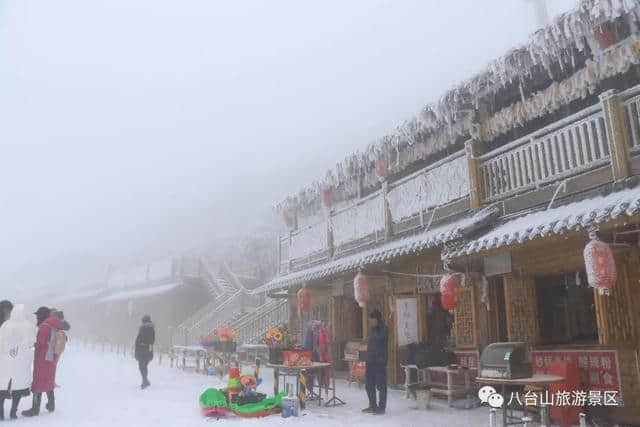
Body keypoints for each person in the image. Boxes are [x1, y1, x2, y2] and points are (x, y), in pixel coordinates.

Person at [22, 307, 70, 417]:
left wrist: (32, 345)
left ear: (42, 315)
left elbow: (41, 343)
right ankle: (51, 404)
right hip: (53, 357)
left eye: (38, 315)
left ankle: (35, 409)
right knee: (49, 379)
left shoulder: (44, 326)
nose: (37, 318)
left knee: (38, 382)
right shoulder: (55, 324)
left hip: (43, 358)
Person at [0, 304, 36, 420]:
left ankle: (0, 412)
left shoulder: (5, 325)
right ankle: (13, 412)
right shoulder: (27, 326)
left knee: (2, 387)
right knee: (18, 388)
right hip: (20, 362)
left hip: (5, 361)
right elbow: (30, 343)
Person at [362, 308, 389, 415]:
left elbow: (379, 339)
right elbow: (371, 341)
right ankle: (372, 405)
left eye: (372, 320)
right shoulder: (371, 329)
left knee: (381, 386)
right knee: (369, 385)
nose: (370, 322)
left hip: (380, 361)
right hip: (370, 360)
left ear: (377, 319)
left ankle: (381, 408)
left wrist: (370, 337)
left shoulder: (384, 328)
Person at [134, 315, 155, 389]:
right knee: (144, 366)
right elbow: (152, 341)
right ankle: (145, 380)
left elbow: (138, 341)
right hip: (148, 350)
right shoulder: (152, 329)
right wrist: (151, 351)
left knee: (141, 366)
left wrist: (137, 351)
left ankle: (144, 380)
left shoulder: (143, 328)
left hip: (141, 350)